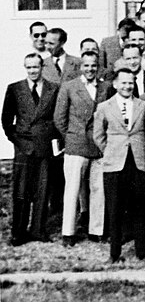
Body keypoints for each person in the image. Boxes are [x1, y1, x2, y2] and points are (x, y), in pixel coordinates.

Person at [92, 68, 145, 262]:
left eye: (131, 82)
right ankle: (115, 253)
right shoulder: (104, 107)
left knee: (140, 207)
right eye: (124, 83)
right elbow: (98, 135)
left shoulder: (144, 106)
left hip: (138, 163)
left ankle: (142, 251)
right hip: (114, 164)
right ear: (115, 84)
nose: (127, 86)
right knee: (115, 209)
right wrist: (111, 151)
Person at [54, 51, 113, 246]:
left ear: (98, 67)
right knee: (72, 189)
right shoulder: (69, 87)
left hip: (98, 145)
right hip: (76, 145)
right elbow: (59, 118)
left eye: (93, 65)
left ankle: (96, 230)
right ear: (80, 67)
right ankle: (68, 233)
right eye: (86, 65)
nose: (90, 69)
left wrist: (102, 139)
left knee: (98, 189)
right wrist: (73, 137)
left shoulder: (106, 87)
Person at [3, 53, 60, 245]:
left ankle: (38, 230)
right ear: (25, 68)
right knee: (21, 191)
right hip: (24, 148)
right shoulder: (15, 88)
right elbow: (6, 121)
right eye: (29, 67)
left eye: (36, 67)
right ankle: (18, 232)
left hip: (44, 147)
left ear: (42, 67)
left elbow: (57, 118)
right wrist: (18, 141)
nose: (33, 71)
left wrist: (51, 138)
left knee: (43, 190)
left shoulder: (54, 88)